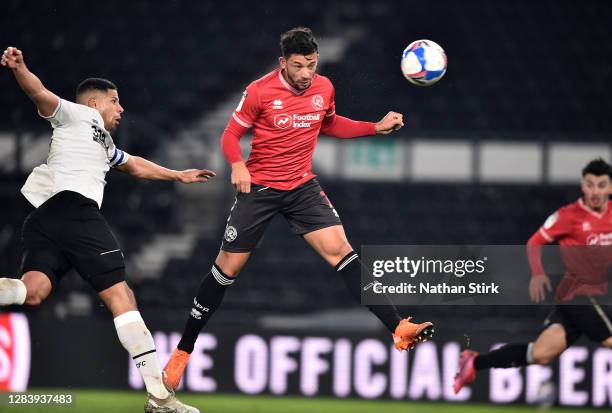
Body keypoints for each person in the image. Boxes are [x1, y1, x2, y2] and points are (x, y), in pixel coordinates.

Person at [163, 27, 434, 389]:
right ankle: (183, 350)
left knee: (343, 251)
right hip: (259, 188)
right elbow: (230, 135)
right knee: (226, 269)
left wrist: (375, 128)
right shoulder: (259, 91)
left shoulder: (324, 88)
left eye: (312, 64)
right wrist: (238, 164)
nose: (307, 73)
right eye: (299, 66)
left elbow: (330, 123)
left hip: (302, 186)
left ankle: (398, 327)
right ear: (282, 63)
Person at [0, 46, 214, 413]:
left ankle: (160, 397)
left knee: (32, 292)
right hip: (74, 209)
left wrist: (176, 174)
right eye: (115, 102)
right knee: (121, 297)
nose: (121, 109)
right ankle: (160, 397)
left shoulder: (104, 140)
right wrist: (20, 67)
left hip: (45, 219)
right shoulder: (76, 114)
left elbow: (133, 164)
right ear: (95, 102)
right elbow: (40, 94)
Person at [453, 158, 612, 394]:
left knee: (540, 354)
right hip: (575, 294)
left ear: (610, 187)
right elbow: (535, 242)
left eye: (601, 185)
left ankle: (474, 363)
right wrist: (538, 273)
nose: (595, 191)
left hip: (596, 296)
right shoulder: (568, 216)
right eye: (590, 184)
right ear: (582, 186)